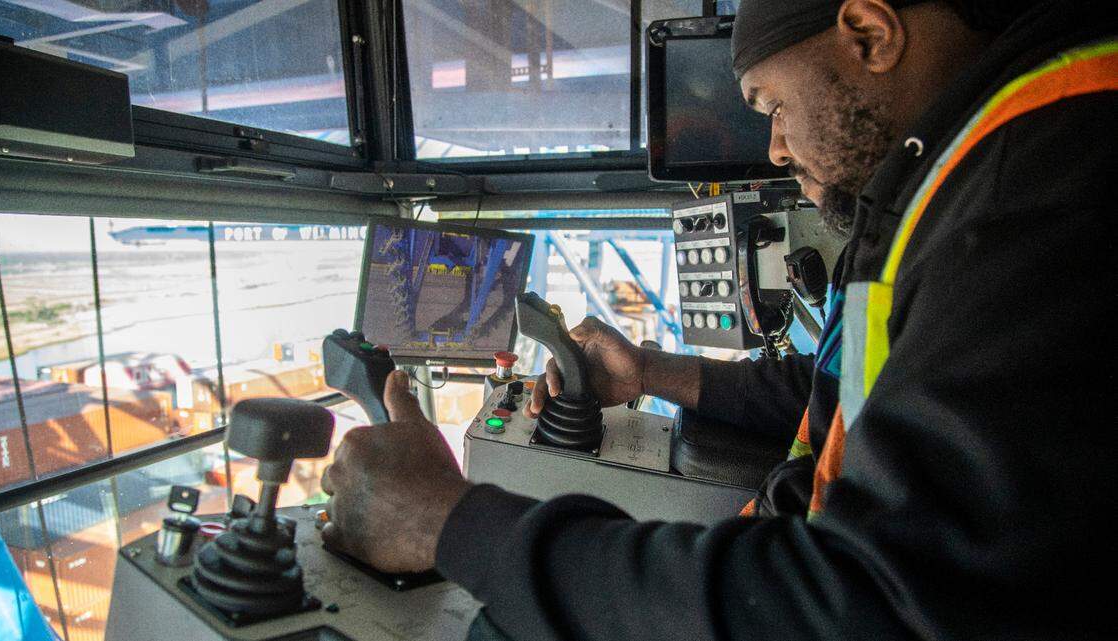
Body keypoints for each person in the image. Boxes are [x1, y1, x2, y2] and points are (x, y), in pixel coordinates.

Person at [320, 1, 1116, 638]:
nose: (772, 148)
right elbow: (846, 384)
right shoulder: (962, 175)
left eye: (771, 105)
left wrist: (448, 518)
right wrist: (652, 372)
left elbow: (882, 601)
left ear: (869, 34)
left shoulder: (1045, 182)